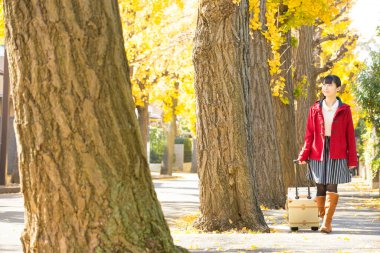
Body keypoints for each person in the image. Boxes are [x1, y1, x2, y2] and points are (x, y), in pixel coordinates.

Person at [297, 75, 358, 233]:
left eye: (329, 85)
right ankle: (322, 217)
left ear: (337, 88)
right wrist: (304, 155)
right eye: (324, 85)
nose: (325, 88)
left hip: (337, 151)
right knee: (320, 186)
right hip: (318, 150)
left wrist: (352, 159)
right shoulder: (315, 108)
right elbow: (309, 134)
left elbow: (350, 135)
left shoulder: (345, 109)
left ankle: (327, 223)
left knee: (331, 185)